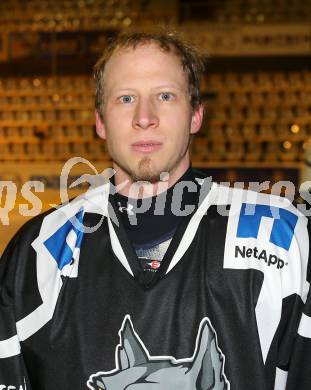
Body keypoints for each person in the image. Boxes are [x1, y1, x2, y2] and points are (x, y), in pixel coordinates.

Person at [0, 31, 310, 390]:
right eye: (126, 97)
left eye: (165, 96)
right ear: (100, 121)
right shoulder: (38, 253)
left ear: (196, 115)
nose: (144, 117)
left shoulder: (282, 239)